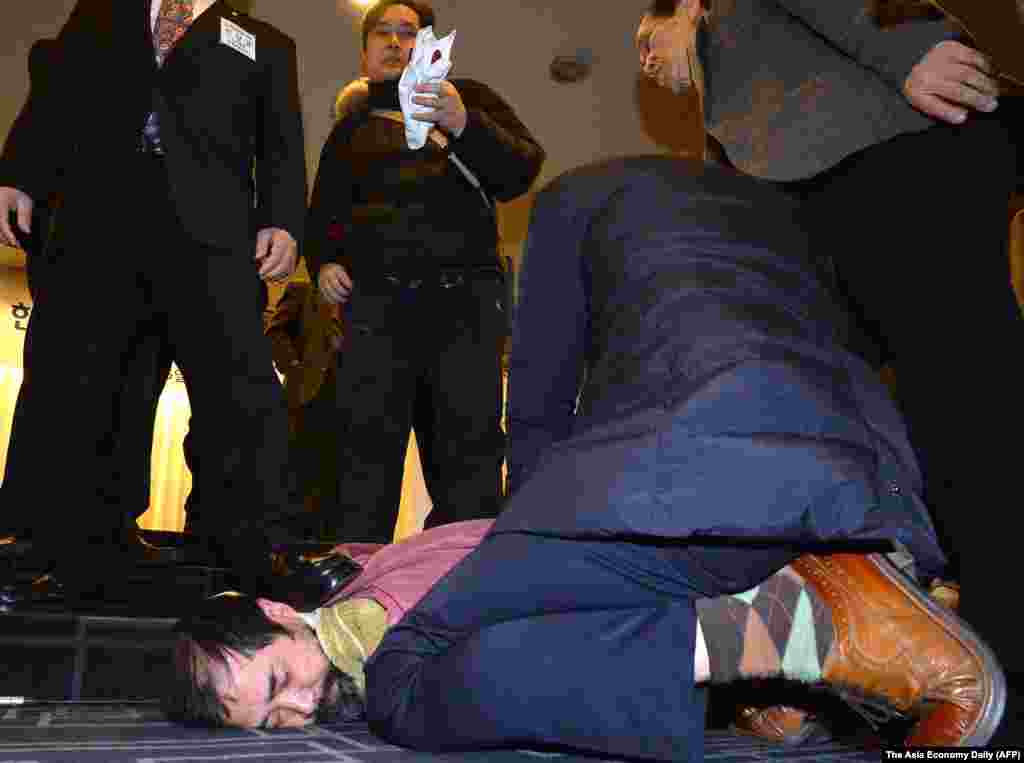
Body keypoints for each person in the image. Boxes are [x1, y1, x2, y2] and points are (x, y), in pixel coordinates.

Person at [165, 158, 1002, 757]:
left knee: (406, 690)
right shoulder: (777, 215)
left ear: (278, 615)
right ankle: (794, 656)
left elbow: (535, 408)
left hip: (728, 492)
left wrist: (536, 523)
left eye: (279, 683)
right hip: (865, 486)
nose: (303, 706)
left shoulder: (569, 207)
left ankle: (805, 633)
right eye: (275, 720)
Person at [635, 0, 1023, 742]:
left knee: (972, 419)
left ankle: (1000, 713)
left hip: (887, 137)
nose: (649, 63)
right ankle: (932, 682)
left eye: (647, 48)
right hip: (823, 169)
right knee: (861, 437)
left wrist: (898, 46)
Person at [0, 0, 308, 597]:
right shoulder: (98, 15)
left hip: (212, 236)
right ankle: (61, 538)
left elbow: (281, 144)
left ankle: (249, 541)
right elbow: (53, 99)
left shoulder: (263, 41)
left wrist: (284, 222)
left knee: (239, 390)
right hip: (99, 224)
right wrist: (18, 174)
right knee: (78, 380)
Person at [304, 0, 544, 543]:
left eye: (407, 33)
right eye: (382, 34)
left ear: (429, 45)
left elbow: (522, 170)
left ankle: (459, 592)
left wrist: (461, 122)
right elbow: (322, 216)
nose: (394, 42)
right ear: (365, 55)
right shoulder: (351, 128)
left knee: (470, 460)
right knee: (362, 461)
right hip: (377, 314)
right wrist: (323, 264)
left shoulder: (472, 98)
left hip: (465, 311)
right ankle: (356, 590)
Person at [265, 280, 344, 537]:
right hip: (307, 395)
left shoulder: (369, 294)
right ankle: (292, 547)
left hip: (351, 400)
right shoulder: (302, 290)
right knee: (299, 478)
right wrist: (295, 368)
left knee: (338, 484)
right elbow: (275, 331)